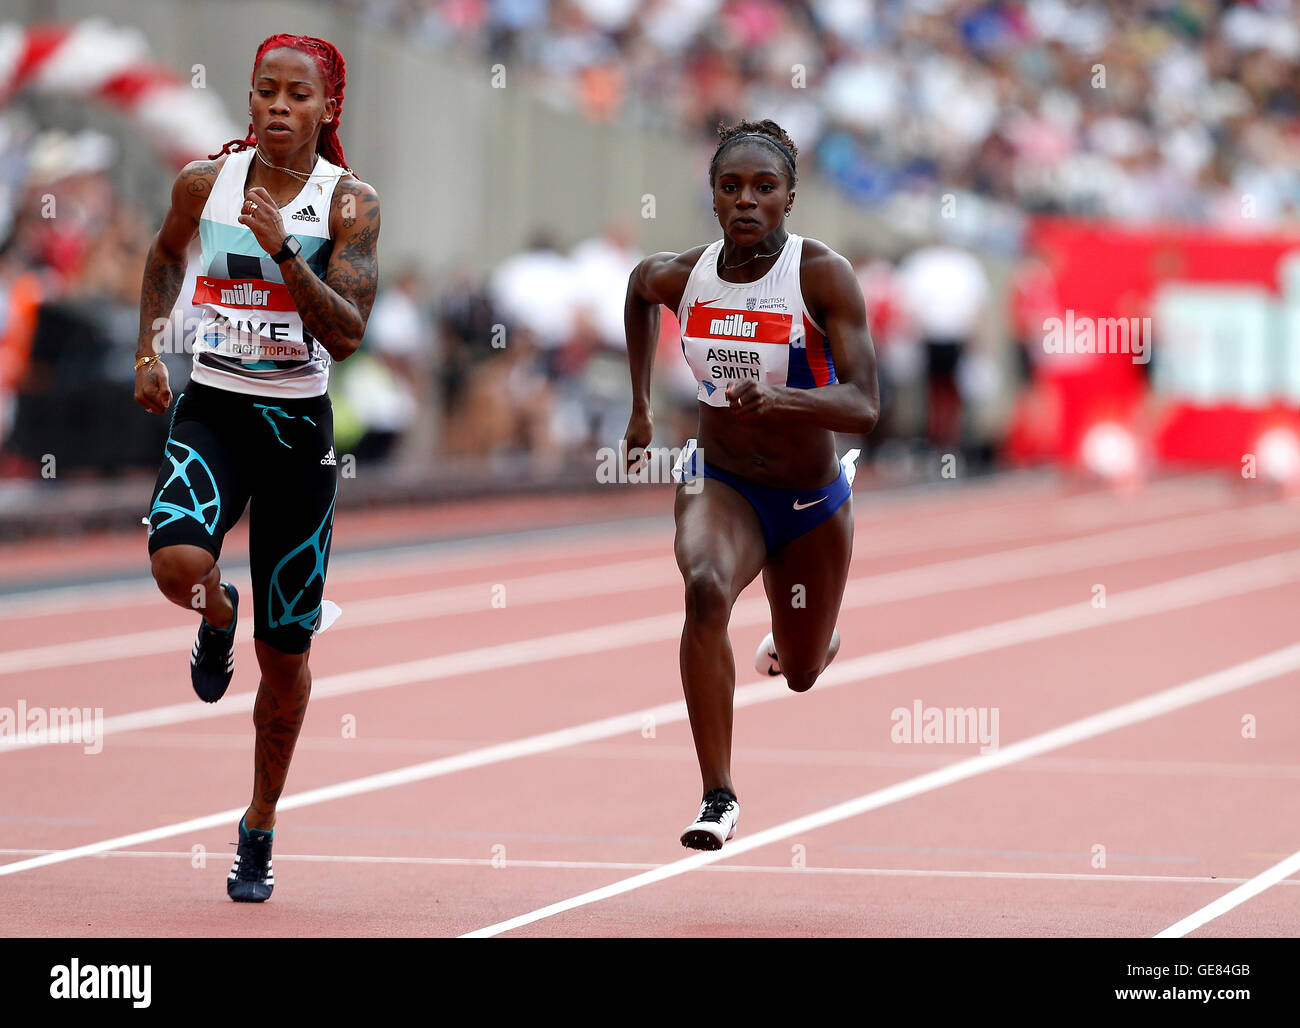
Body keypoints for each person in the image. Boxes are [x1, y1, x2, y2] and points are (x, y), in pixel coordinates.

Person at [133, 34, 380, 901]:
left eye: (297, 95)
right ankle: (215, 610)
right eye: (265, 91)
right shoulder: (206, 184)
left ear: (327, 109)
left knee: (283, 660)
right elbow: (167, 254)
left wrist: (283, 252)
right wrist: (149, 351)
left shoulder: (348, 205)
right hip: (214, 409)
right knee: (177, 564)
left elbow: (347, 336)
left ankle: (259, 823)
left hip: (297, 437)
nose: (278, 105)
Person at [622, 119, 879, 850]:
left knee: (798, 673)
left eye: (763, 188)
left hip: (809, 501)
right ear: (712, 198)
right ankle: (718, 796)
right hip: (721, 481)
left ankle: (812, 642)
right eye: (730, 187)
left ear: (789, 198)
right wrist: (640, 409)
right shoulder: (686, 274)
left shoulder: (821, 275)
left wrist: (786, 401)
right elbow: (639, 288)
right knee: (704, 587)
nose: (746, 201)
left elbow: (864, 407)